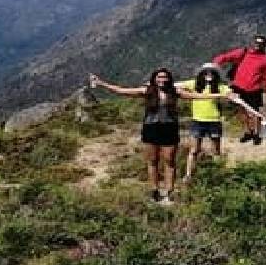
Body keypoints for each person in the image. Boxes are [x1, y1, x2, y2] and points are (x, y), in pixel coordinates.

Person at [89, 68, 232, 205]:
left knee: (169, 161)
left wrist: (221, 95)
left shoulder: (175, 91)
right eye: (159, 77)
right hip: (151, 128)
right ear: (154, 79)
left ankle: (169, 192)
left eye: (165, 77)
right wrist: (102, 84)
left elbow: (198, 96)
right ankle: (154, 191)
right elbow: (122, 91)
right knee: (152, 161)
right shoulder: (147, 90)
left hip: (169, 129)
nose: (162, 80)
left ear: (169, 79)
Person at [176, 62, 260, 184]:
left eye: (211, 72)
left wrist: (253, 111)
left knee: (216, 151)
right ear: (202, 74)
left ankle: (217, 174)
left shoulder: (221, 87)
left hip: (214, 121)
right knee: (194, 150)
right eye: (206, 72)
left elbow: (236, 99)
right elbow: (173, 85)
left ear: (215, 74)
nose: (209, 74)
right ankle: (188, 175)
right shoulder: (194, 84)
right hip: (197, 121)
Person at [213, 35, 266, 145]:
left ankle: (257, 134)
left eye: (261, 43)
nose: (258, 45)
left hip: (254, 89)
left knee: (255, 112)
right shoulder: (243, 52)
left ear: (264, 46)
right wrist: (216, 62)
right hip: (238, 86)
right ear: (252, 43)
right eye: (256, 42)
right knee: (242, 111)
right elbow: (227, 57)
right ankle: (248, 132)